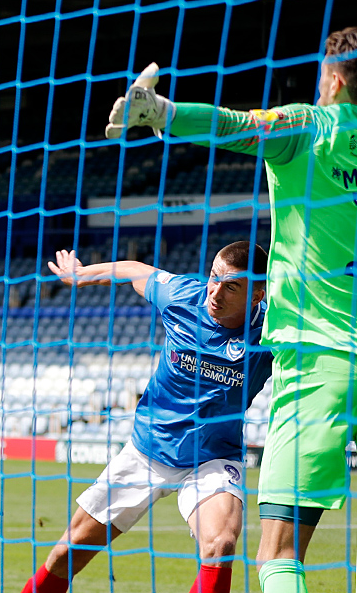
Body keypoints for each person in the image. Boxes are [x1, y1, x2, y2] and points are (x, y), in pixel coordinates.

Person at [106, 30, 357, 593]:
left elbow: (240, 127)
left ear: (334, 78)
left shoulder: (313, 126)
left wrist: (164, 112)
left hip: (322, 357)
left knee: (278, 554)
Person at [20, 242, 272, 593]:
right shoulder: (183, 296)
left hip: (213, 458)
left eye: (231, 286)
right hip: (147, 450)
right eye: (214, 278)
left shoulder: (273, 330)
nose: (215, 292)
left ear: (257, 294)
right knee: (67, 554)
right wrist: (82, 276)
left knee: (221, 545)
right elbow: (135, 270)